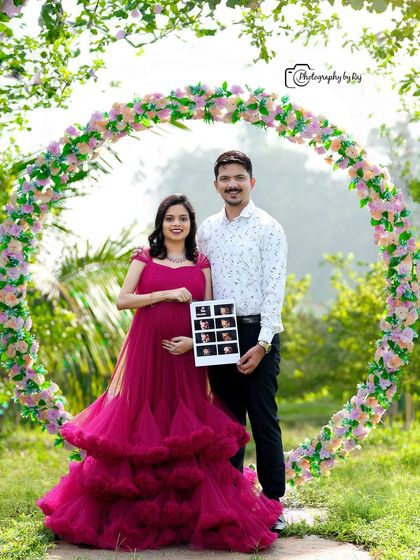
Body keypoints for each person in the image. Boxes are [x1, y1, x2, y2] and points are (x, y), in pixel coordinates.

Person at [37, 193, 281, 552]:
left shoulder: (202, 262)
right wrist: (165, 294)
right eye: (170, 218)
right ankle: (131, 509)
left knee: (184, 425)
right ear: (161, 223)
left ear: (190, 224)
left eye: (183, 218)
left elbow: (209, 312)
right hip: (147, 352)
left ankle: (183, 513)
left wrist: (194, 344)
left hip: (184, 354)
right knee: (142, 421)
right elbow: (123, 299)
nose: (176, 223)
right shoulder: (144, 257)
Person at [197, 150, 287, 533]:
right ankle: (231, 500)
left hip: (257, 332)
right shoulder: (206, 230)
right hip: (218, 331)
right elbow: (201, 284)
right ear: (216, 185)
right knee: (228, 422)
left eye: (239, 177)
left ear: (252, 181)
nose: (232, 184)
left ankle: (273, 503)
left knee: (263, 419)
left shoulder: (269, 227)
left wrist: (263, 343)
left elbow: (274, 289)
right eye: (225, 179)